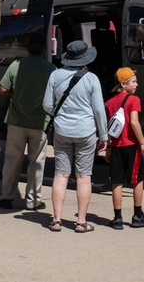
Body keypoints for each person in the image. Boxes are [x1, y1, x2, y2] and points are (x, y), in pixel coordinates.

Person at [42, 40, 108, 233]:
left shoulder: (55, 74)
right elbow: (98, 109)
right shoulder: (92, 79)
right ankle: (81, 222)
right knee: (83, 176)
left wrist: (60, 115)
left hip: (62, 130)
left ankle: (56, 220)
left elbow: (47, 104)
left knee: (61, 175)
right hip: (86, 131)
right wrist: (103, 135)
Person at [0, 34, 56, 211]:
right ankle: (34, 200)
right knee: (37, 162)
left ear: (28, 50)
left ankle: (6, 196)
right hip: (40, 122)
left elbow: (3, 88)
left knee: (12, 160)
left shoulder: (16, 65)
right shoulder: (51, 69)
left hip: (16, 120)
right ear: (45, 50)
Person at [105, 67, 144, 229]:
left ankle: (117, 218)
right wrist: (143, 143)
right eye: (133, 81)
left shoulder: (109, 103)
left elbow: (110, 128)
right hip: (132, 146)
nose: (137, 84)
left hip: (117, 146)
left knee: (116, 182)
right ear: (123, 84)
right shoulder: (134, 100)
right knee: (137, 179)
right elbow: (134, 122)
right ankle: (137, 215)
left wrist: (109, 147)